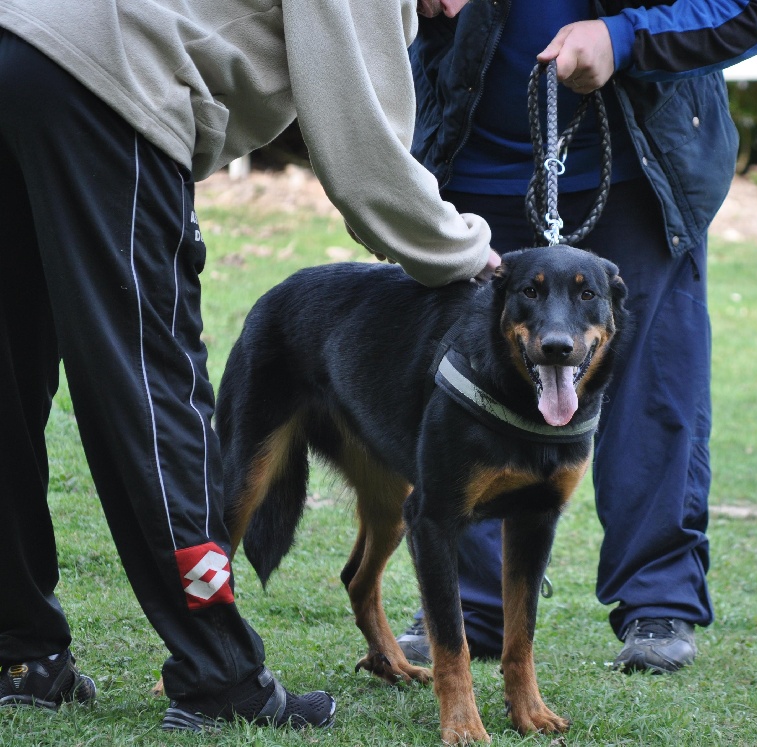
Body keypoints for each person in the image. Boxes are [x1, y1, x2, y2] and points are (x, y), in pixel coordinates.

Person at [0, 0, 499, 731]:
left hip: (18, 46)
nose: (457, 8)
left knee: (8, 374)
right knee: (151, 388)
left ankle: (20, 651)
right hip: (106, 89)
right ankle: (218, 672)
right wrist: (462, 251)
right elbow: (364, 158)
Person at [396, 0, 757, 673]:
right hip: (467, 173)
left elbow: (754, 9)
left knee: (654, 392)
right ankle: (465, 601)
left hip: (639, 177)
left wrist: (623, 37)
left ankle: (657, 600)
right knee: (458, 401)